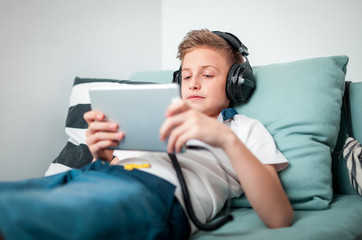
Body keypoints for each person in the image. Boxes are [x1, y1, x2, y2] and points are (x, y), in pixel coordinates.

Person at [0, 29, 293, 240]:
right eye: (187, 75)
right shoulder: (150, 116)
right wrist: (101, 156)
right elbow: (106, 170)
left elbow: (279, 217)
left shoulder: (243, 129)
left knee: (18, 214)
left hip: (152, 195)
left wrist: (225, 139)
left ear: (235, 84)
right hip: (89, 178)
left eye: (207, 74)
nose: (192, 84)